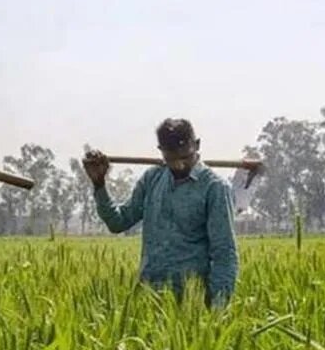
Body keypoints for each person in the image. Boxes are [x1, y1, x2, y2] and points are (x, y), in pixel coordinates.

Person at [82, 118, 238, 307]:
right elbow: (118, 222)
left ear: (196, 145)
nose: (179, 165)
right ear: (161, 151)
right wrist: (99, 184)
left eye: (184, 157)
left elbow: (225, 253)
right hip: (148, 296)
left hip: (190, 303)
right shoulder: (152, 179)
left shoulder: (214, 188)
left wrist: (218, 309)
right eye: (171, 159)